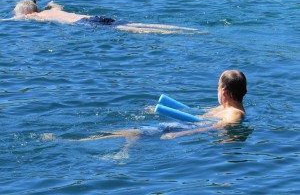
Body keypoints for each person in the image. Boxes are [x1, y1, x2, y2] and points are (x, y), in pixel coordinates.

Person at [67, 70, 247, 142]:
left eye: (216, 86)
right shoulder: (225, 108)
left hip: (182, 129)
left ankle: (74, 141)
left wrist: (180, 134)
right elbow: (197, 115)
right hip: (183, 125)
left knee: (135, 133)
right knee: (135, 132)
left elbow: (216, 128)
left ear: (223, 91)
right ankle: (121, 146)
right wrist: (174, 110)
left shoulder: (234, 114)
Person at [2, 0, 204, 34]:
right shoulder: (52, 11)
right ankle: (185, 29)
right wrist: (48, 3)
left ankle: (185, 33)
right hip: (94, 16)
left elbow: (16, 19)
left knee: (134, 30)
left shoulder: (37, 16)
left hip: (85, 24)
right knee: (132, 23)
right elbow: (57, 4)